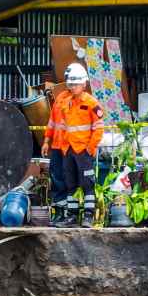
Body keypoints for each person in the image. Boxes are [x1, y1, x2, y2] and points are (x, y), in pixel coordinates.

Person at [41, 63, 104, 227]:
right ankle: (72, 217)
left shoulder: (90, 102)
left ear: (84, 84)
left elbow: (98, 128)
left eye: (76, 84)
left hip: (83, 150)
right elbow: (55, 122)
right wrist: (47, 140)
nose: (73, 87)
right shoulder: (65, 100)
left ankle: (89, 216)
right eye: (71, 84)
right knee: (70, 184)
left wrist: (90, 148)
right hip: (66, 149)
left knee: (87, 183)